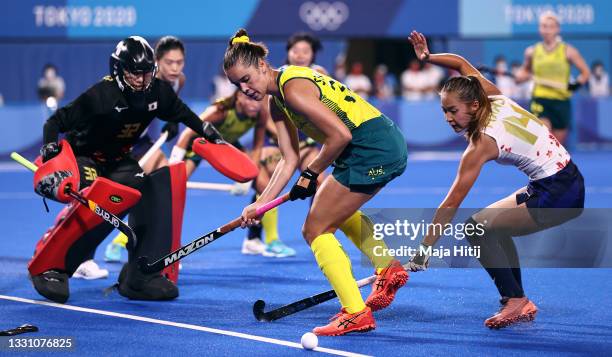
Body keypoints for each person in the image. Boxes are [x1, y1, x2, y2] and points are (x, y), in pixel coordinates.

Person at [224, 29, 409, 336]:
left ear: (260, 65)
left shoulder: (293, 88)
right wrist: (260, 204)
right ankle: (387, 267)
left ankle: (354, 312)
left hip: (372, 146)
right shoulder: (277, 101)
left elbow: (340, 135)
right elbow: (288, 159)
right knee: (335, 209)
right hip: (369, 146)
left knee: (315, 228)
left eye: (246, 78)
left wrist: (310, 174)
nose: (244, 88)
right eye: (236, 85)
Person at [407, 31, 585, 329]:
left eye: (453, 111)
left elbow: (452, 202)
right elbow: (462, 64)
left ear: (473, 106)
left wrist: (424, 250)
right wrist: (428, 58)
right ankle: (516, 299)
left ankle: (515, 300)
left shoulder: (482, 143)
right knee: (488, 223)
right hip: (558, 180)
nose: (448, 118)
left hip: (559, 194)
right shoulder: (492, 95)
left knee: (476, 228)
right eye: (444, 111)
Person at [31, 36, 219, 303]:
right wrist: (51, 150)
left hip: (119, 159)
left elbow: (182, 113)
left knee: (149, 186)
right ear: (118, 71)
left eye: (146, 73)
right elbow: (55, 121)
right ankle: (53, 267)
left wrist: (211, 134)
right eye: (135, 74)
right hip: (85, 157)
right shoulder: (101, 95)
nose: (142, 81)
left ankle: (141, 276)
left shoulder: (157, 90)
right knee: (97, 198)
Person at [168, 90, 300, 257]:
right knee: (171, 192)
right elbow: (187, 133)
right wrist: (174, 163)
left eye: (258, 101)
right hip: (198, 146)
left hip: (227, 145)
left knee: (266, 187)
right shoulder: (219, 111)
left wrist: (248, 175)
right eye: (249, 100)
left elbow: (258, 146)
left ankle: (270, 240)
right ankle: (166, 246)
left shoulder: (260, 113)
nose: (255, 105)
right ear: (238, 97)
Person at [103, 36, 187, 263]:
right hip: (119, 143)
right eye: (169, 62)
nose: (175, 67)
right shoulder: (141, 83)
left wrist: (173, 120)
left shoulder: (178, 81)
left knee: (161, 185)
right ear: (157, 62)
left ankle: (131, 242)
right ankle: (90, 252)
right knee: (119, 196)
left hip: (144, 144)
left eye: (179, 62)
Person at [515, 11, 590, 145]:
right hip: (540, 99)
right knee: (544, 139)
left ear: (557, 29)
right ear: (539, 29)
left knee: (556, 147)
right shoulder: (532, 51)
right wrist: (520, 76)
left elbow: (585, 72)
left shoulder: (568, 51)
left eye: (551, 26)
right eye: (544, 26)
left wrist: (575, 85)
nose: (547, 30)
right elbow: (525, 72)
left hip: (561, 102)